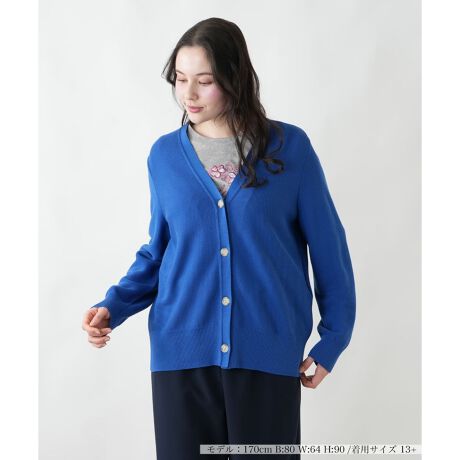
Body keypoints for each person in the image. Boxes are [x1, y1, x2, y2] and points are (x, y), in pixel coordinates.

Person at [81, 17, 356, 460]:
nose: (188, 94)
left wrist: (332, 341)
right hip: (180, 356)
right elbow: (159, 251)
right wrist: (114, 306)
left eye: (204, 81)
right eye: (180, 79)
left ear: (234, 78)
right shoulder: (164, 156)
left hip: (267, 353)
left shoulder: (290, 148)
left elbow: (330, 252)